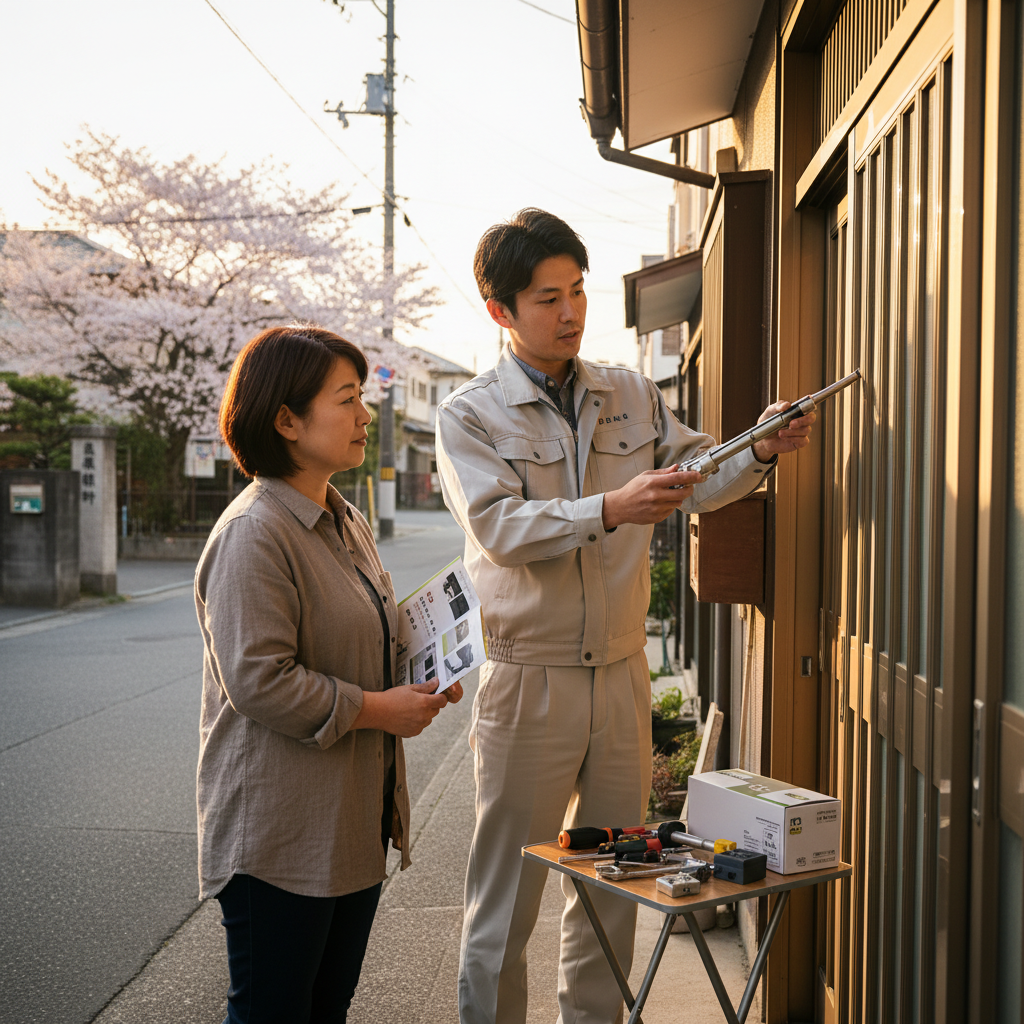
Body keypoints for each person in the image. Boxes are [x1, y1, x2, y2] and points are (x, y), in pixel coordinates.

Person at [434, 209, 815, 1024]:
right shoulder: (469, 414)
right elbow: (497, 530)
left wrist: (758, 448)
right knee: (505, 902)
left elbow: (698, 476)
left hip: (621, 673)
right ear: (500, 310)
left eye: (577, 291)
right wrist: (610, 507)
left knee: (613, 889)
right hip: (527, 680)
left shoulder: (631, 392)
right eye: (547, 299)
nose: (570, 312)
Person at [195, 323, 462, 1024]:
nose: (365, 415)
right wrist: (379, 709)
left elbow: (367, 635)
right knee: (273, 1013)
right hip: (280, 836)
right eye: (347, 399)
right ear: (286, 420)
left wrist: (429, 665)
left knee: (326, 1008)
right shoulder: (254, 532)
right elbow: (259, 680)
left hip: (348, 823)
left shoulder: (342, 517)